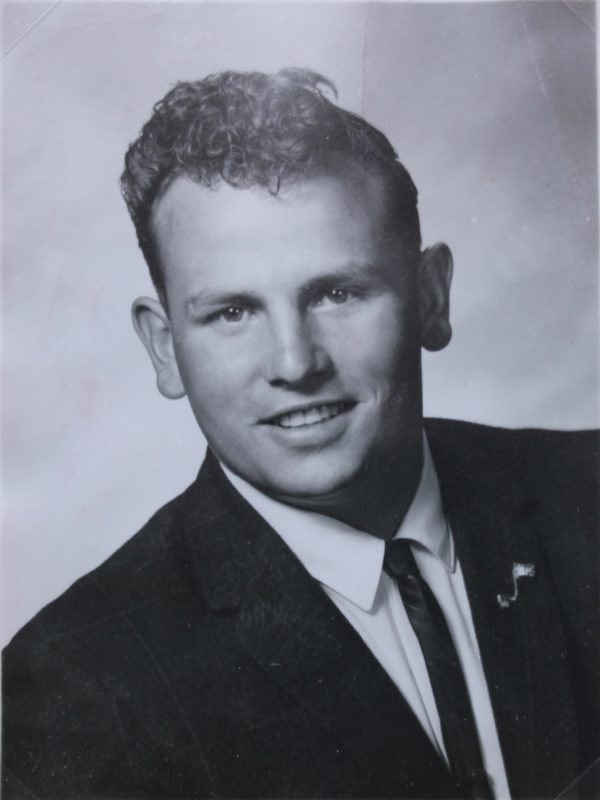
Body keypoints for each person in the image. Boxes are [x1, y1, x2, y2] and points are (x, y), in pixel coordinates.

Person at [2, 68, 598, 800]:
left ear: (430, 297)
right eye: (232, 313)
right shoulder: (75, 692)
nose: (294, 364)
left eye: (337, 293)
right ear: (164, 349)